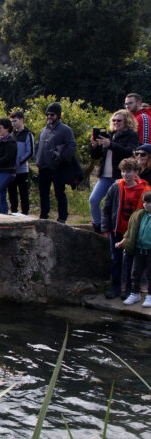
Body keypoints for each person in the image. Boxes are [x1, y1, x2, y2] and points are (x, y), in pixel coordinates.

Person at [102, 158, 151, 300]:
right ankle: (115, 287)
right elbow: (106, 209)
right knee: (115, 259)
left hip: (134, 234)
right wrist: (106, 229)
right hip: (116, 230)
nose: (125, 175)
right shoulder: (116, 186)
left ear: (136, 172)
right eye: (123, 171)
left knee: (131, 262)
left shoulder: (145, 190)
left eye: (129, 171)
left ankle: (129, 289)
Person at [89, 109, 139, 231]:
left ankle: (116, 228)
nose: (116, 122)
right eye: (114, 120)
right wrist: (95, 146)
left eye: (119, 120)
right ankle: (98, 225)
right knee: (94, 200)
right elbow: (96, 156)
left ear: (126, 121)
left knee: (117, 205)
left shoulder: (132, 135)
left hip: (119, 175)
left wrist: (110, 144)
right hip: (105, 175)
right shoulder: (110, 135)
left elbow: (129, 152)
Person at [35, 102, 76, 223]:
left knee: (59, 193)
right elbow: (38, 145)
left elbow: (72, 147)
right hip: (43, 167)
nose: (49, 117)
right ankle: (43, 216)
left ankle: (62, 217)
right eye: (47, 114)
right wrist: (37, 158)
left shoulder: (65, 130)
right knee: (43, 193)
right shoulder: (44, 129)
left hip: (57, 168)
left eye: (52, 114)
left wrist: (61, 158)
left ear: (58, 115)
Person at [117, 190, 151, 307]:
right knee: (135, 273)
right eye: (144, 202)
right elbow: (130, 231)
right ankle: (135, 293)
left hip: (150, 250)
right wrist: (122, 241)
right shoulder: (139, 215)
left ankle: (150, 296)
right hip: (138, 249)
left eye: (149, 202)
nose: (146, 204)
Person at [8, 111, 35, 215]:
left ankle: (25, 213)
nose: (13, 123)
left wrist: (19, 162)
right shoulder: (11, 135)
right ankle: (14, 211)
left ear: (22, 120)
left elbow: (30, 152)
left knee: (23, 193)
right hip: (11, 169)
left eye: (15, 121)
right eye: (12, 121)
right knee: (12, 192)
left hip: (22, 169)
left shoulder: (28, 134)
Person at [0, 118, 18, 214]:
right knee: (1, 193)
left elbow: (8, 158)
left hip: (7, 171)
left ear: (6, 128)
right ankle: (3, 214)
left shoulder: (10, 141)